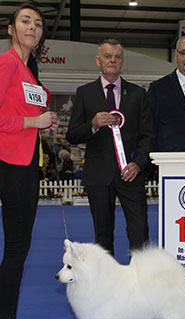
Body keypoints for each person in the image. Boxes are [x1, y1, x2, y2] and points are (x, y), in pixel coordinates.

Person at [0, 3, 59, 319]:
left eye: (38, 24)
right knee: (17, 248)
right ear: (10, 28)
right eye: (25, 21)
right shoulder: (7, 63)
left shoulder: (28, 68)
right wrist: (31, 123)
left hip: (23, 162)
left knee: (17, 248)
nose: (32, 27)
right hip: (11, 164)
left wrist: (43, 121)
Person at [66, 39, 155, 257]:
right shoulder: (85, 93)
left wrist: (138, 163)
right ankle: (106, 284)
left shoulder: (138, 94)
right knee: (103, 235)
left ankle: (140, 280)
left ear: (122, 61)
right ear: (98, 60)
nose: (112, 60)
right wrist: (93, 125)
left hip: (131, 173)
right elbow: (72, 135)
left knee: (139, 231)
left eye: (117, 56)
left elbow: (149, 136)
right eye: (107, 56)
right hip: (98, 174)